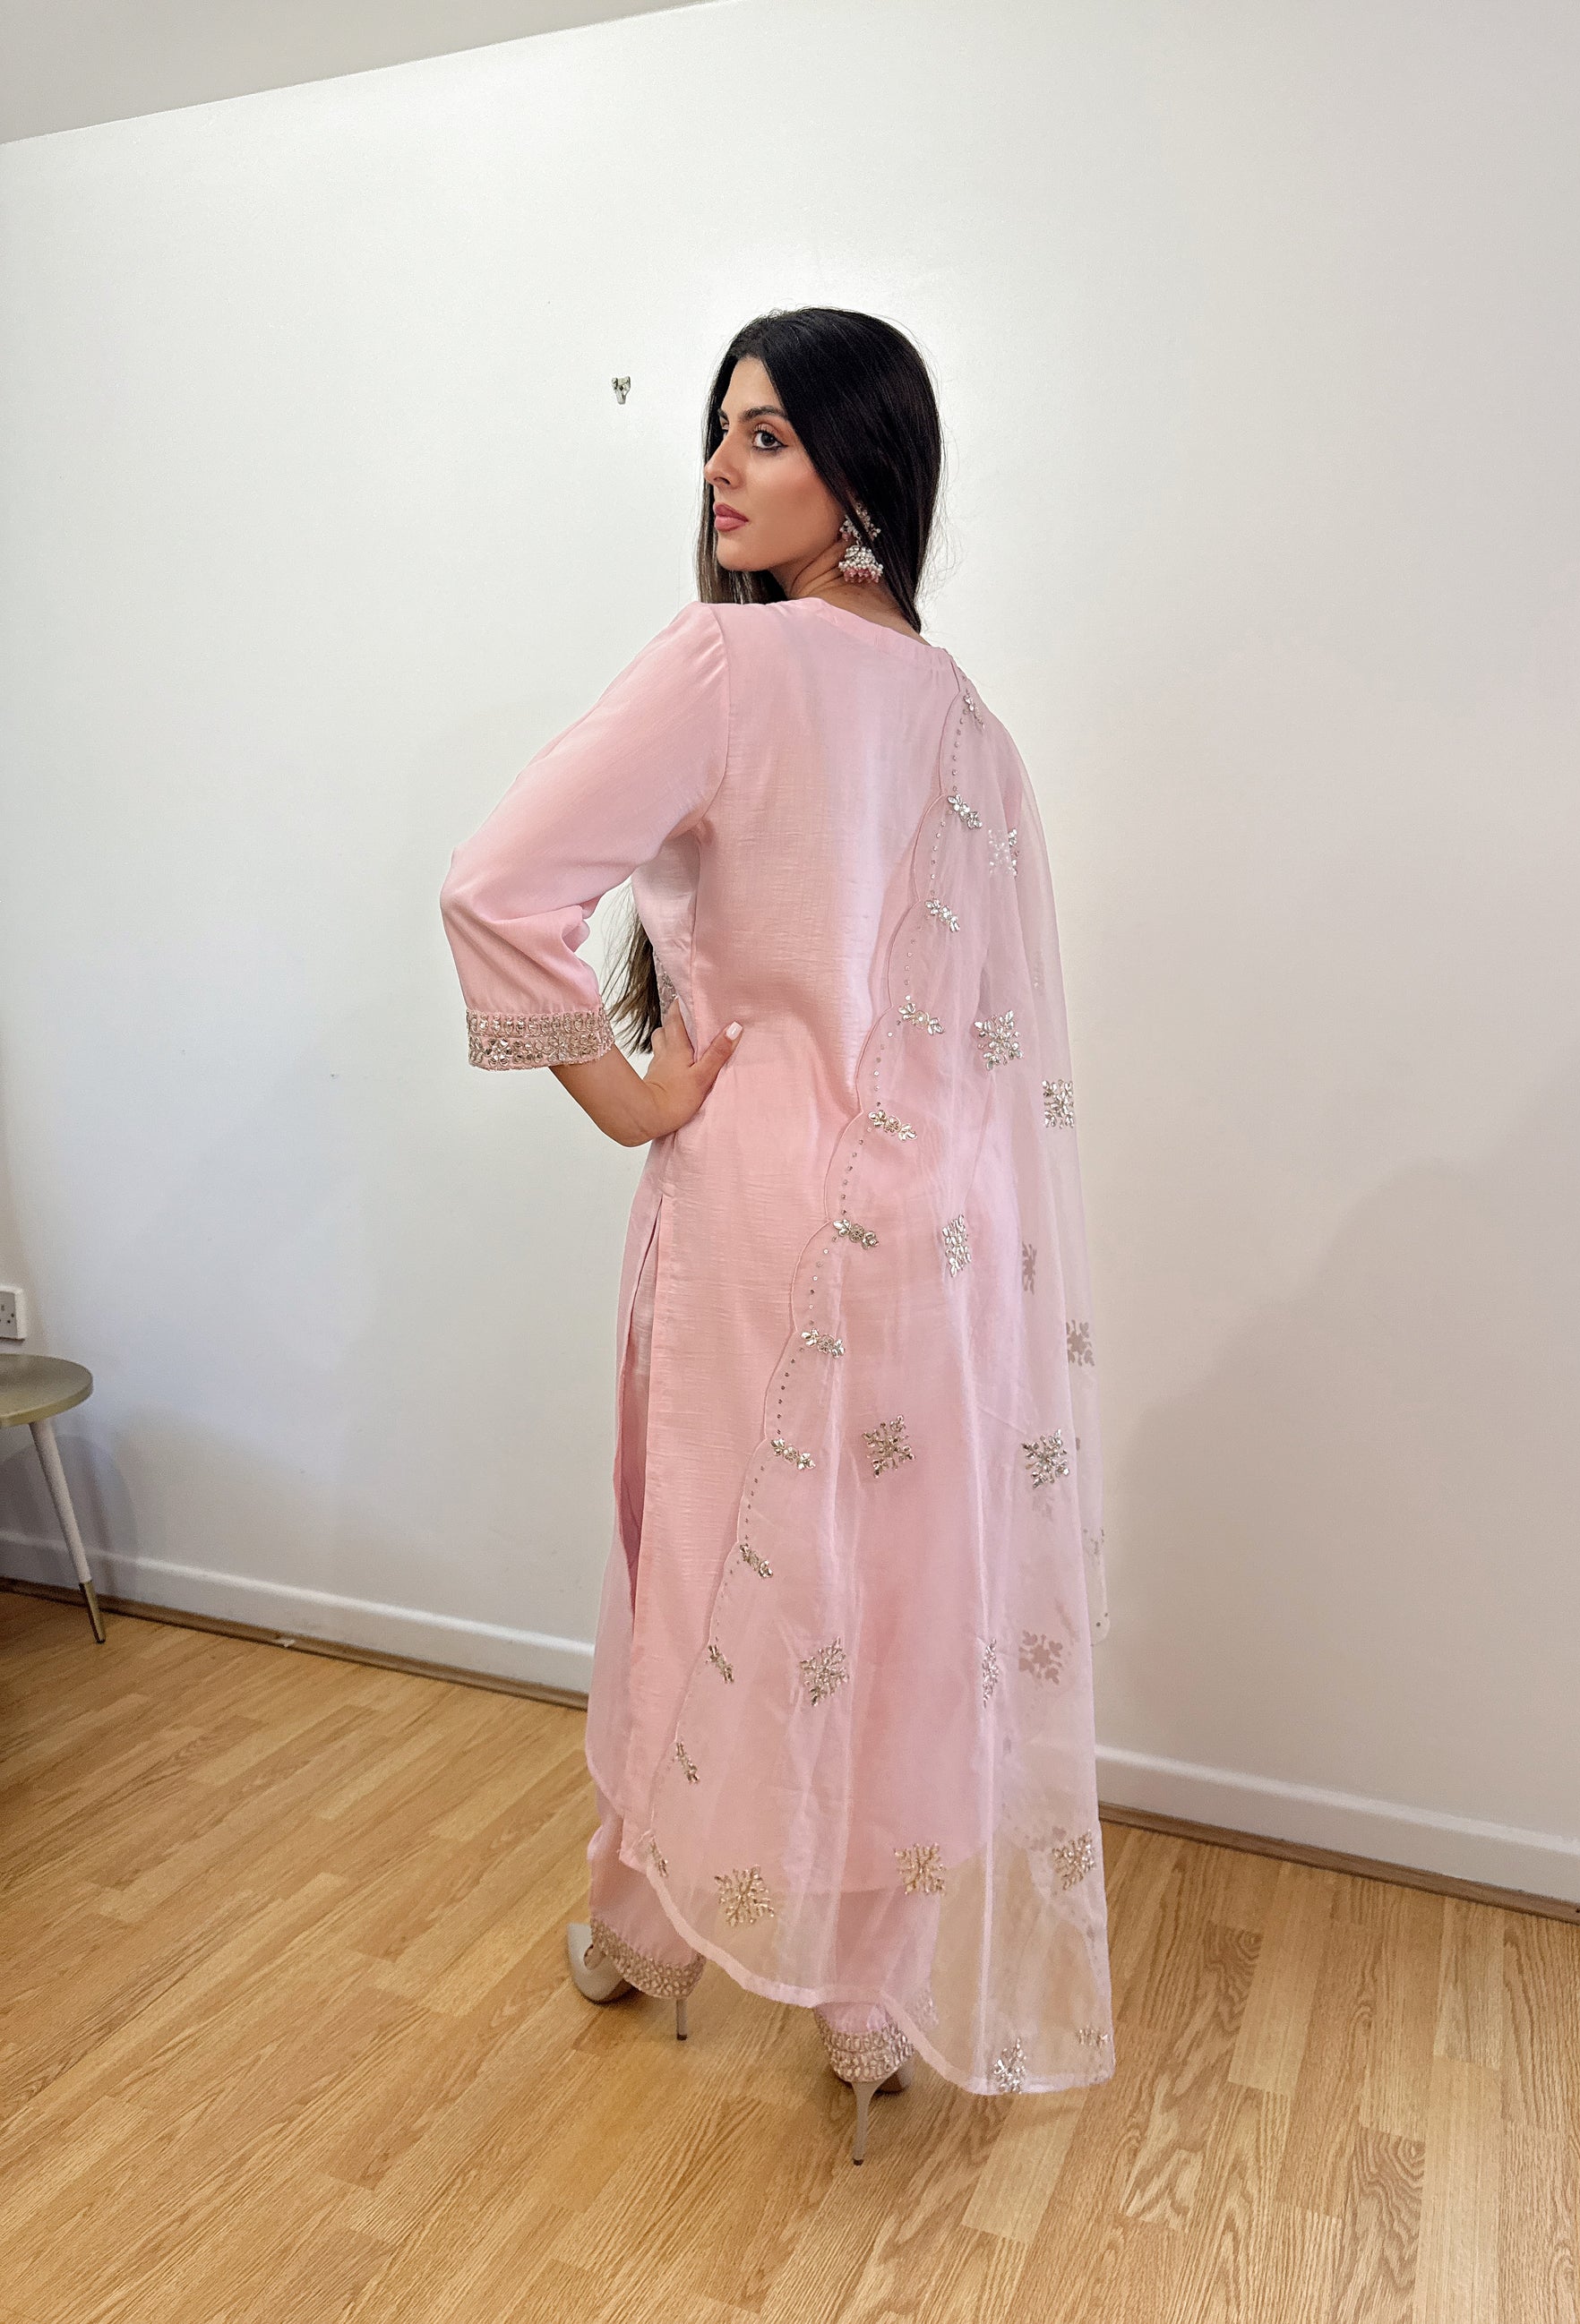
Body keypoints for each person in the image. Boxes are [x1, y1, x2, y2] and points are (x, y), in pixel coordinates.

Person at [439, 306, 1113, 2165]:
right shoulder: (964, 720)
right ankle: (866, 2005)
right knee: (892, 1589)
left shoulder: (729, 665)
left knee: (709, 1554)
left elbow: (491, 888)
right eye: (720, 432)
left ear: (859, 467)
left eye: (767, 435)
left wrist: (634, 1099)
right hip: (944, 1229)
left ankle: (646, 1924)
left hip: (762, 1209)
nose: (722, 470)